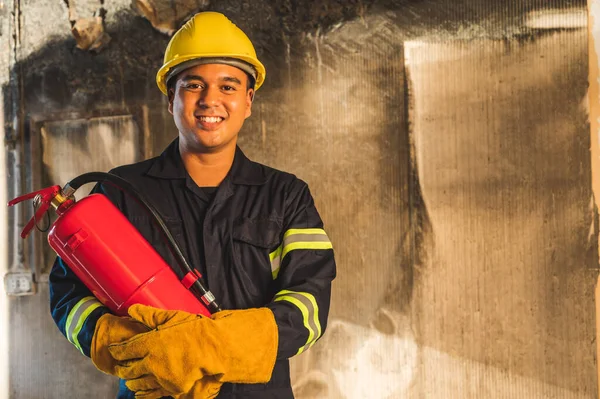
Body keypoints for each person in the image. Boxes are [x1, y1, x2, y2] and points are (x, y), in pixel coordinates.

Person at [48, 11, 336, 399]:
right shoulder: (121, 192)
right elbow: (68, 291)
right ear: (171, 99)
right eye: (194, 85)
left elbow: (310, 302)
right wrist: (112, 338)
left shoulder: (285, 196)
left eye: (228, 87)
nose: (210, 100)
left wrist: (212, 344)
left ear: (248, 101)